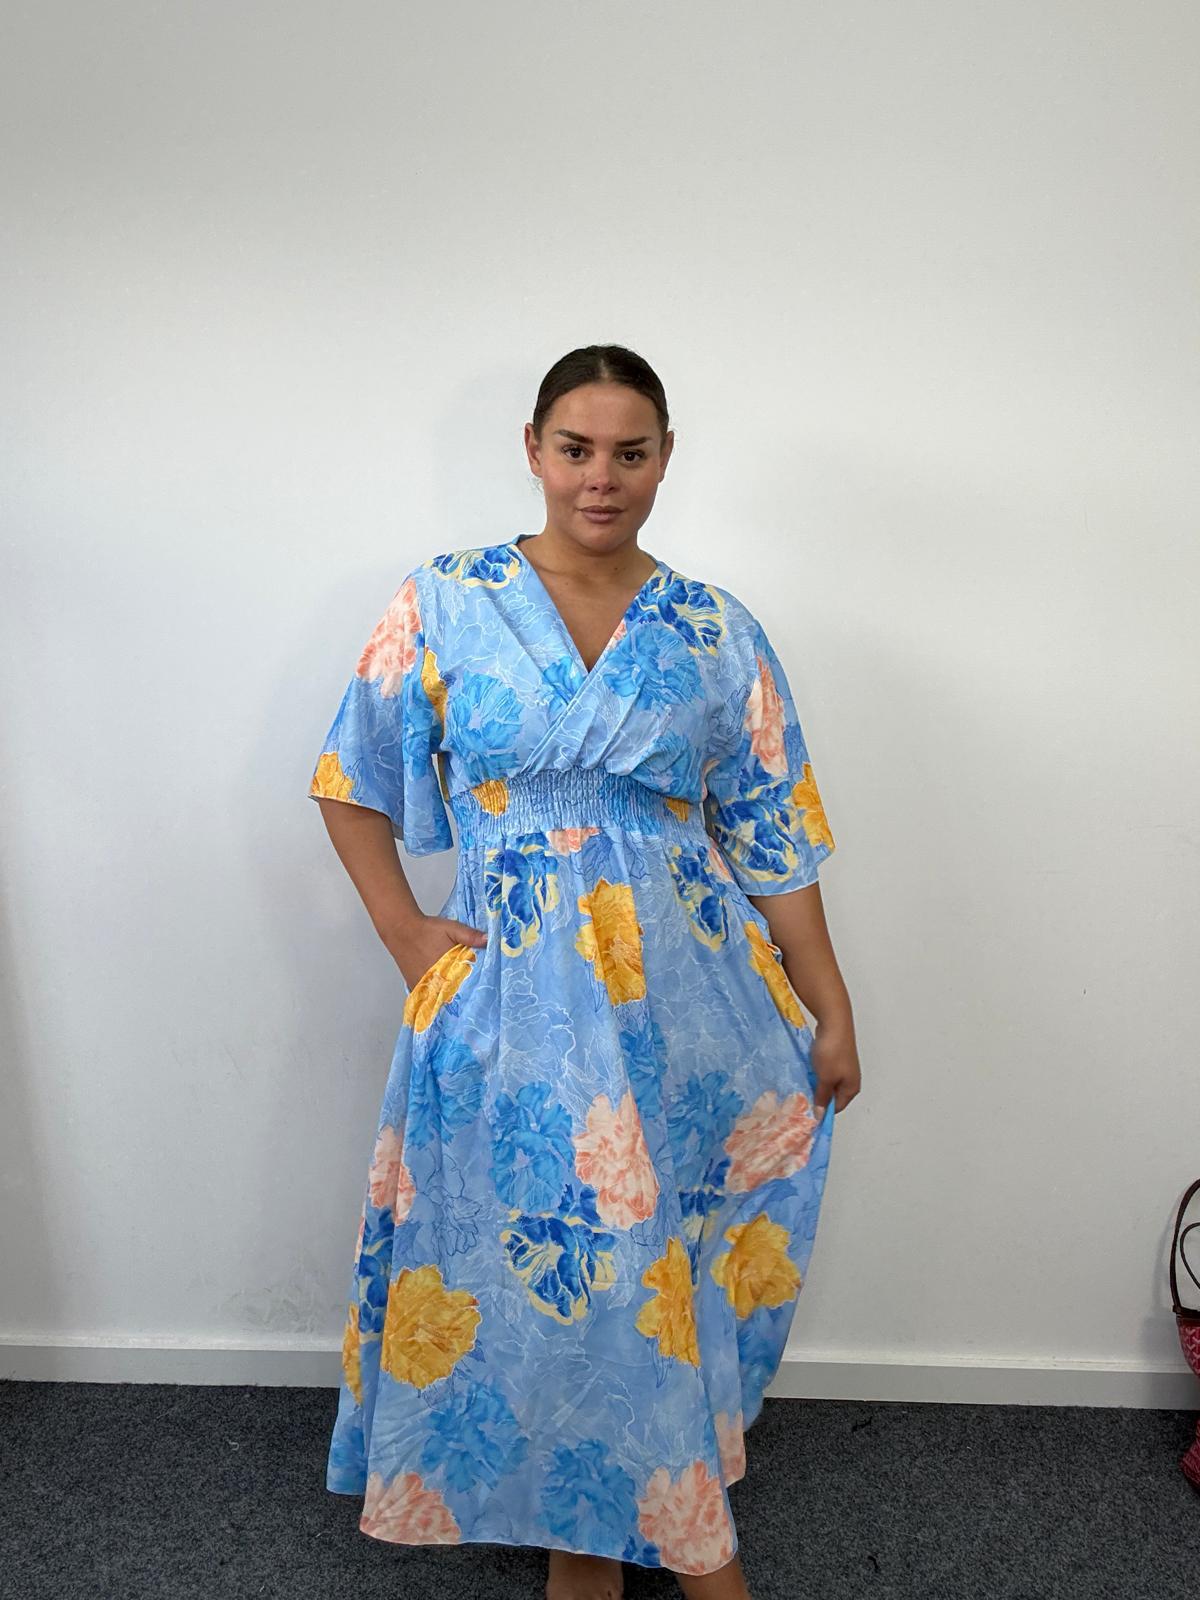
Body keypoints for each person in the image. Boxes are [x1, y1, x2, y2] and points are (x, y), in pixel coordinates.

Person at [307, 344, 862, 1600]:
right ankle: (661, 1553)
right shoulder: (448, 599)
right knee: (565, 1258)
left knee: (642, 1259)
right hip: (510, 992)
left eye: (629, 451)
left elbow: (773, 830)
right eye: (576, 448)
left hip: (685, 998)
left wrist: (829, 1003)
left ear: (665, 458)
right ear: (534, 449)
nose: (600, 477)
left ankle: (593, 1551)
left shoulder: (715, 629)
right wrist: (406, 933)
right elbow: (351, 779)